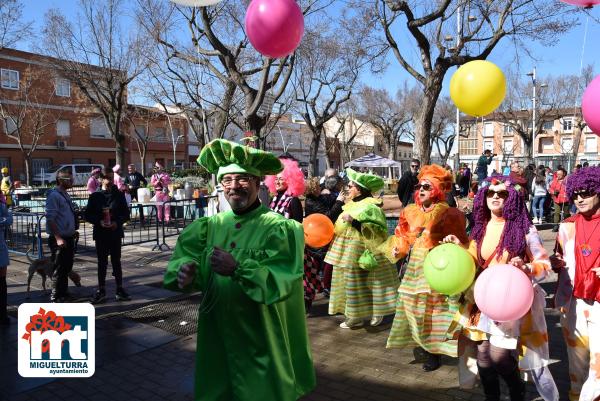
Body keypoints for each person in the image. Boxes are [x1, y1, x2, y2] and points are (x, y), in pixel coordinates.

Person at [164, 139, 316, 401]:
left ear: (258, 182)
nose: (234, 186)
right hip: (217, 330)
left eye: (243, 179)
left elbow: (282, 278)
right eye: (227, 180)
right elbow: (185, 260)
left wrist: (238, 268)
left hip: (259, 332)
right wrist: (186, 272)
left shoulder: (279, 228)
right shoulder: (208, 226)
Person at [444, 175, 558, 401]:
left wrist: (526, 266)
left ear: (512, 198)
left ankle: (517, 391)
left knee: (498, 355)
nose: (495, 197)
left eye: (502, 193)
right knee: (483, 355)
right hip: (483, 299)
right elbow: (475, 258)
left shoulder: (525, 229)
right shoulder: (480, 227)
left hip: (510, 301)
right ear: (483, 198)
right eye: (490, 193)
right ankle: (492, 397)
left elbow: (544, 265)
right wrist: (460, 246)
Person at [382, 164, 468, 371]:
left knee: (434, 310)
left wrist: (450, 242)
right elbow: (403, 237)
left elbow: (461, 243)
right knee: (413, 306)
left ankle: (434, 352)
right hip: (414, 268)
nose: (421, 190)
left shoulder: (448, 213)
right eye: (419, 186)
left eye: (427, 187)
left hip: (436, 268)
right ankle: (421, 341)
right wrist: (397, 250)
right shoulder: (410, 211)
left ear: (437, 190)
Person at [325, 168, 399, 329]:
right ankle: (353, 315)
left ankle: (376, 311)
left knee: (371, 282)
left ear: (359, 188)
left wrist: (354, 221)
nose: (348, 188)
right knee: (349, 282)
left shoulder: (371, 206)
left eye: (350, 186)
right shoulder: (350, 204)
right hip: (346, 251)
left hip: (365, 250)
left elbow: (378, 230)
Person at [552, 166, 600, 401]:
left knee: (598, 368)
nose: (580, 198)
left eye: (587, 192)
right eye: (576, 194)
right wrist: (555, 262)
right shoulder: (567, 225)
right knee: (576, 364)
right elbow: (559, 258)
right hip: (574, 304)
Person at [85, 168, 131, 304]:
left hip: (115, 233)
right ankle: (101, 289)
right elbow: (87, 215)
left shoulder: (119, 195)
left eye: (112, 178)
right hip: (101, 233)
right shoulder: (95, 196)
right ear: (101, 179)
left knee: (116, 261)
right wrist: (98, 221)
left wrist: (118, 222)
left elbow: (126, 214)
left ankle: (119, 289)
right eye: (108, 178)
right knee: (102, 262)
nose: (111, 181)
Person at [45, 170, 78, 302]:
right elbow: (50, 219)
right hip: (59, 239)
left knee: (66, 267)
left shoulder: (65, 194)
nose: (72, 182)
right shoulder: (54, 196)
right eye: (69, 179)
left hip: (68, 237)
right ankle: (55, 295)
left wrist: (72, 230)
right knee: (58, 268)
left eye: (71, 179)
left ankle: (63, 292)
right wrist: (58, 238)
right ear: (60, 180)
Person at [265, 157, 305, 223]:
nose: (277, 182)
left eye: (281, 179)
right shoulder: (273, 199)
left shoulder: (293, 201)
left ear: (289, 180)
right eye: (276, 179)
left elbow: (298, 226)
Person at [0, 191, 12, 325]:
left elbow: (9, 219)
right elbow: (7, 218)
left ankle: (3, 314)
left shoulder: (1, 202)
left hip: (1, 246)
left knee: (2, 281)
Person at [549, 167, 570, 232]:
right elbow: (550, 189)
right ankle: (556, 225)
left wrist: (568, 193)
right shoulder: (555, 181)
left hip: (565, 199)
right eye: (558, 174)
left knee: (566, 213)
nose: (559, 176)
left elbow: (570, 188)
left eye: (560, 174)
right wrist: (553, 192)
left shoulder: (567, 180)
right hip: (557, 199)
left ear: (563, 174)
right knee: (556, 213)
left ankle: (567, 225)